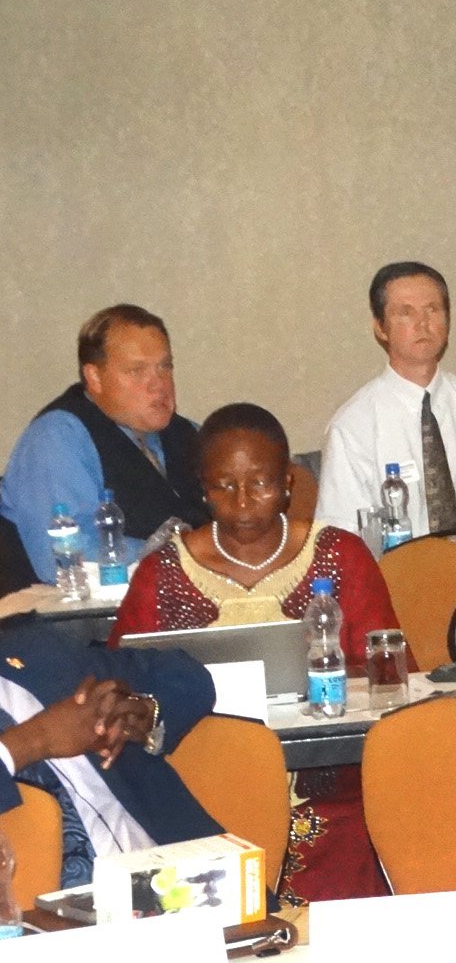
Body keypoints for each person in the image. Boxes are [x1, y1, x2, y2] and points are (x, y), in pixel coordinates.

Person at [111, 402, 397, 904]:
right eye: (224, 486)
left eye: (261, 484)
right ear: (202, 486)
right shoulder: (161, 574)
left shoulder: (342, 555)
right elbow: (121, 689)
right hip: (199, 795)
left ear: (288, 482)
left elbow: (391, 678)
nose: (242, 503)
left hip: (331, 798)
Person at [315, 261, 456, 539]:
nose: (423, 324)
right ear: (380, 328)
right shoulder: (354, 425)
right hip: (398, 579)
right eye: (405, 313)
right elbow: (343, 534)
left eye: (432, 310)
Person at [0, 626, 221, 889]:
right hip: (40, 921)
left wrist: (145, 710)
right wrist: (32, 740)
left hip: (183, 888)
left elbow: (188, 677)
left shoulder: (35, 651)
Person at [1, 304, 208, 584]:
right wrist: (184, 555)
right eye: (137, 370)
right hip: (61, 619)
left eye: (165, 366)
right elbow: (65, 559)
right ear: (94, 378)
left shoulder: (188, 434)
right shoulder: (58, 436)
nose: (159, 384)